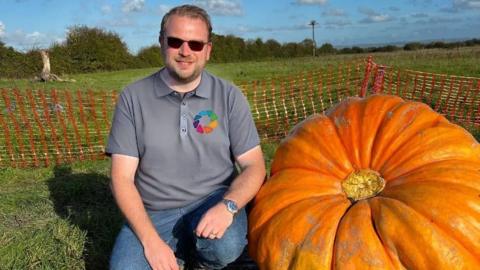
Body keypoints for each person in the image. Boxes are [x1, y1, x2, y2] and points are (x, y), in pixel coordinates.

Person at [106, 4, 266, 270]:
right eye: (175, 41)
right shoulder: (133, 98)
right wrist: (151, 241)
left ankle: (201, 262)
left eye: (195, 44)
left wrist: (228, 207)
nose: (185, 51)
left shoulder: (229, 96)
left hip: (213, 200)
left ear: (208, 50)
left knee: (224, 246)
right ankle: (175, 252)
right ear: (161, 43)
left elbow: (254, 165)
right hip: (154, 213)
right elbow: (121, 178)